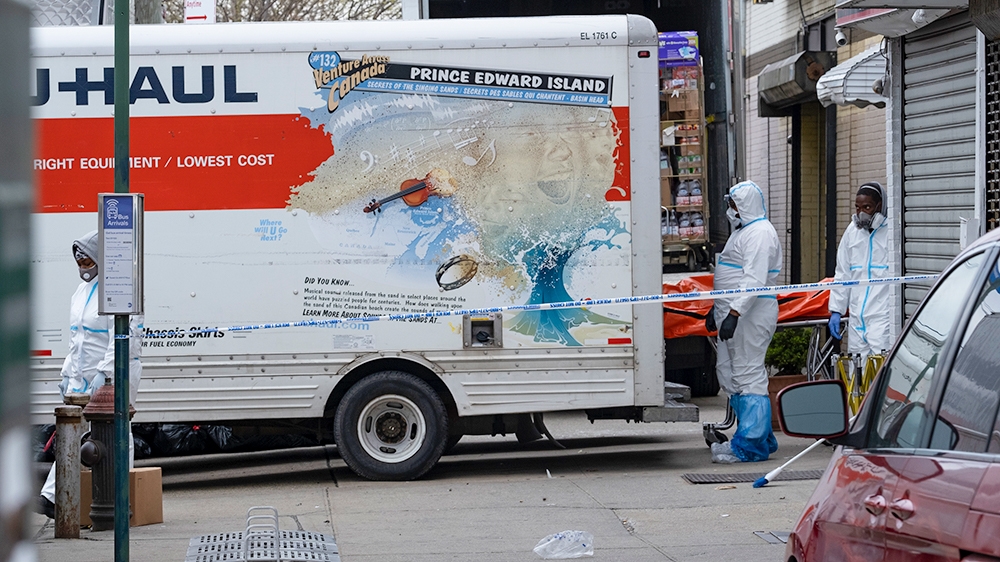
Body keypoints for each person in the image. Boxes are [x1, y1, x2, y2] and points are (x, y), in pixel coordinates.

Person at [35, 230, 143, 519]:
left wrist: (105, 375)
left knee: (117, 432)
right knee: (75, 433)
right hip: (83, 377)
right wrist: (68, 375)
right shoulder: (81, 292)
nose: (83, 267)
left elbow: (124, 340)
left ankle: (117, 496)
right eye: (79, 262)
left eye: (88, 261)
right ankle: (56, 497)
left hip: (114, 375)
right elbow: (77, 339)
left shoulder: (120, 289)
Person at [705, 181, 782, 463]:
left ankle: (750, 446)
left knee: (748, 374)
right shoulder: (744, 232)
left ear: (745, 205)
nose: (730, 210)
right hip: (733, 313)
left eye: (734, 205)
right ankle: (756, 436)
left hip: (750, 315)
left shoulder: (760, 234)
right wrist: (718, 309)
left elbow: (754, 279)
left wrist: (734, 313)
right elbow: (732, 273)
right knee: (728, 372)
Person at [828, 182, 891, 357]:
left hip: (882, 318)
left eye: (867, 207)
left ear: (880, 206)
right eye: (857, 207)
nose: (861, 213)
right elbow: (842, 273)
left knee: (881, 371)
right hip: (857, 318)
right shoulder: (852, 232)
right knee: (858, 373)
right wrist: (836, 310)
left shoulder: (892, 232)